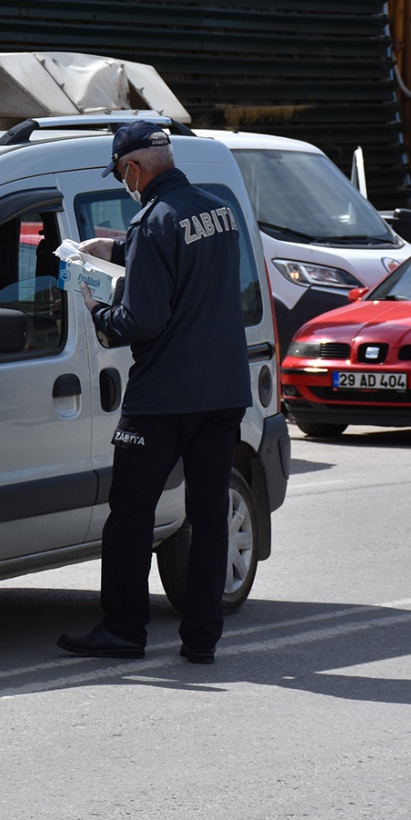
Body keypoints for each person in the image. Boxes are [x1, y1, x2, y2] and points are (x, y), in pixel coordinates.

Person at [58, 120, 252, 665]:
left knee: (131, 511)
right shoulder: (218, 211)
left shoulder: (153, 221)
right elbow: (185, 264)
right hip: (223, 391)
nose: (126, 184)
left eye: (123, 174)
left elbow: (142, 318)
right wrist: (119, 247)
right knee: (209, 513)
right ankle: (201, 640)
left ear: (135, 169)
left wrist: (96, 308)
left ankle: (123, 629)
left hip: (164, 397)